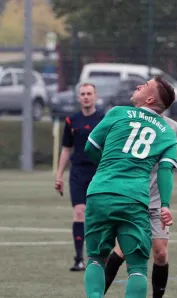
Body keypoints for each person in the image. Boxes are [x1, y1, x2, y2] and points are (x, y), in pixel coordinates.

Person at [81, 76, 177, 298]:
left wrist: (110, 168)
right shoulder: (167, 132)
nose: (137, 86)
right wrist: (166, 204)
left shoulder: (117, 113)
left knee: (96, 258)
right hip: (135, 198)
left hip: (100, 192)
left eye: (144, 85)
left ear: (150, 99)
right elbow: (164, 171)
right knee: (137, 267)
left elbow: (90, 149)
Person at [87, 116, 177, 298]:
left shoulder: (172, 128)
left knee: (160, 253)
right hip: (133, 197)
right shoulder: (128, 119)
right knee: (123, 251)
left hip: (155, 200)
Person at [54, 83, 105, 271]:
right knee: (79, 212)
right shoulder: (71, 121)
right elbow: (66, 149)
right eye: (82, 94)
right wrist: (59, 176)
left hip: (98, 172)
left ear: (95, 96)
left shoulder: (104, 119)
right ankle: (78, 258)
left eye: (89, 93)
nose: (86, 97)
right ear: (78, 98)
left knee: (98, 215)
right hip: (77, 173)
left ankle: (99, 257)